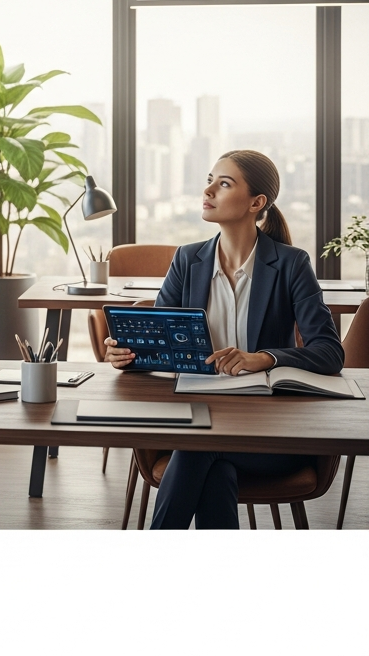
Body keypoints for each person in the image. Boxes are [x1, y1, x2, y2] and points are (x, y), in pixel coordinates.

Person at [104, 149, 344, 530]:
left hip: (269, 433)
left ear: (257, 202)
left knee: (199, 449)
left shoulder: (291, 264)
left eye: (224, 183)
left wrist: (264, 358)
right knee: (214, 470)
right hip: (194, 416)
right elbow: (161, 345)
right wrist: (128, 354)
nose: (209, 189)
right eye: (209, 179)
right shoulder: (187, 260)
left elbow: (330, 353)